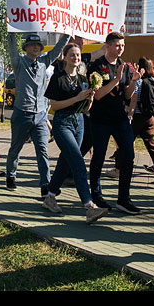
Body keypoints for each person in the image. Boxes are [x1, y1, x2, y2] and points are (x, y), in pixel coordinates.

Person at [42, 43, 109, 224]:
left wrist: (90, 98)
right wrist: (77, 98)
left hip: (78, 122)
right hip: (62, 123)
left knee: (66, 162)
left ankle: (50, 196)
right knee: (78, 161)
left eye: (78, 55)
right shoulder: (58, 78)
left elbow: (86, 108)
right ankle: (89, 206)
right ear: (64, 57)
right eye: (72, 55)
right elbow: (54, 106)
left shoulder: (82, 78)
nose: (76, 58)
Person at [5, 31, 71, 197]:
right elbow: (12, 48)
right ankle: (11, 175)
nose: (36, 47)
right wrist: (10, 30)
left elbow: (57, 49)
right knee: (16, 148)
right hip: (22, 113)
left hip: (41, 115)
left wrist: (67, 34)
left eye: (38, 45)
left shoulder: (44, 62)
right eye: (32, 44)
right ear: (26, 47)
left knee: (43, 151)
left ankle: (45, 185)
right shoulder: (19, 62)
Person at [87, 31, 142, 214]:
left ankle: (123, 199)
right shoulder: (97, 66)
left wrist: (133, 82)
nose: (121, 49)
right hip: (100, 119)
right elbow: (99, 95)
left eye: (123, 45)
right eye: (117, 45)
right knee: (99, 156)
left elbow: (126, 95)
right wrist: (116, 79)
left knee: (129, 154)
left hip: (119, 118)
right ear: (108, 46)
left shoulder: (124, 66)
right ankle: (96, 196)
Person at [128, 57, 154, 185]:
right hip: (150, 117)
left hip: (137, 117)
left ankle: (118, 169)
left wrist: (130, 115)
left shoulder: (138, 81)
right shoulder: (153, 80)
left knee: (126, 142)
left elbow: (134, 99)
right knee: (153, 146)